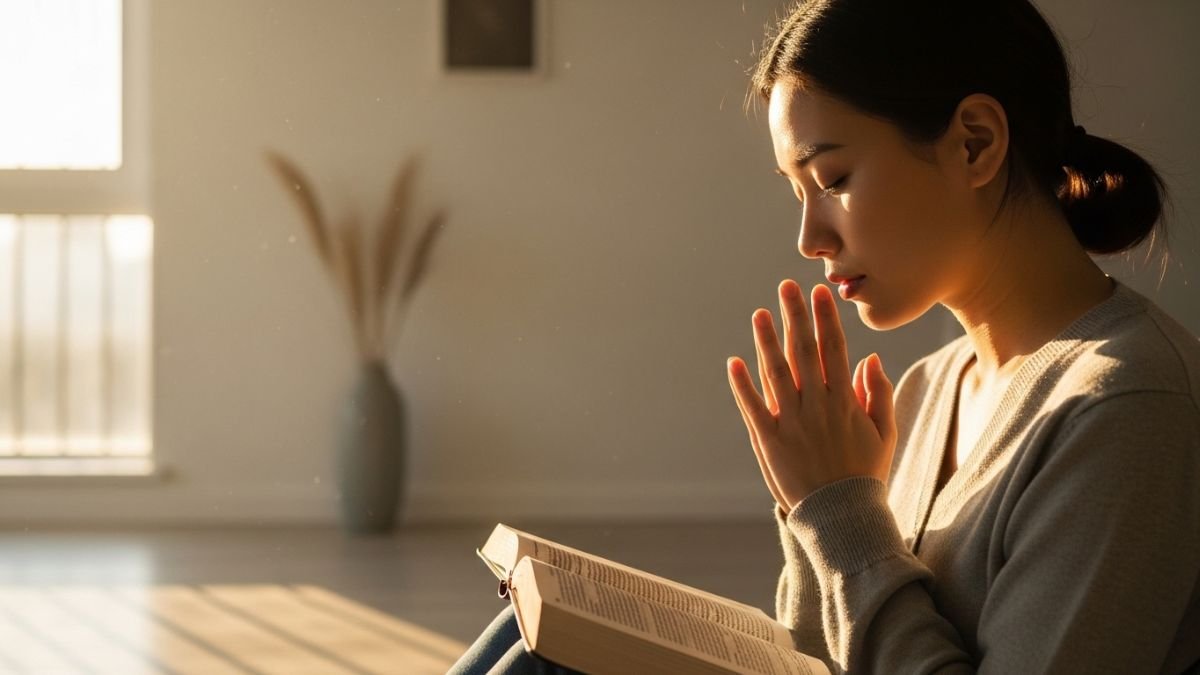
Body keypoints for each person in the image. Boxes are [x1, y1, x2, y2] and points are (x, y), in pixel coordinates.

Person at [449, 0, 1200, 672]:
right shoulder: (929, 387)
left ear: (974, 142)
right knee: (535, 638)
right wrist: (809, 508)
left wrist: (838, 508)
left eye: (833, 178)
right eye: (797, 190)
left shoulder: (1130, 406)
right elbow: (820, 654)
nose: (810, 236)